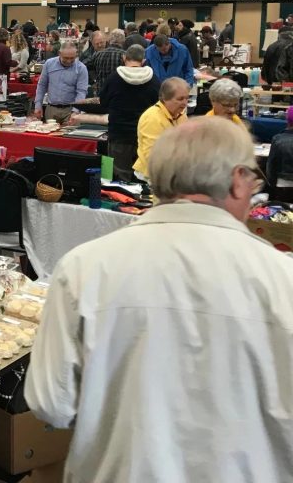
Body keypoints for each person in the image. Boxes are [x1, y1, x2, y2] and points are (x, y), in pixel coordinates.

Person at [26, 118, 293, 483]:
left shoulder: (84, 267)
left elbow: (50, 404)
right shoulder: (283, 279)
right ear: (236, 179)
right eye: (253, 179)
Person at [98, 44, 159, 181]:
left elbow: (103, 103)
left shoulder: (113, 79)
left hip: (119, 135)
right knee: (143, 178)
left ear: (124, 58)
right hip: (144, 137)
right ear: (143, 61)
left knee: (120, 178)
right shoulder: (154, 80)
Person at [132, 76, 190, 180]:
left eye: (187, 98)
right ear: (165, 98)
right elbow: (153, 156)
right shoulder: (152, 118)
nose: (185, 103)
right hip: (151, 177)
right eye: (180, 99)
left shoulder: (181, 115)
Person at [34, 40, 88, 125]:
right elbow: (42, 85)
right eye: (66, 58)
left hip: (70, 110)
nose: (69, 61)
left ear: (76, 54)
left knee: (69, 137)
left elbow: (81, 92)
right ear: (59, 53)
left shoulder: (81, 68)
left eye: (72, 58)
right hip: (51, 109)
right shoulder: (49, 64)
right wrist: (38, 105)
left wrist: (75, 111)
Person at [86, 28, 126, 95]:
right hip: (119, 92)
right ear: (123, 41)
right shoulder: (125, 55)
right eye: (97, 43)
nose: (100, 45)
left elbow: (84, 65)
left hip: (101, 92)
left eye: (101, 42)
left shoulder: (97, 54)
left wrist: (93, 81)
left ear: (109, 40)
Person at [266, 105, 293, 194]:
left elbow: (271, 166)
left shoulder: (277, 139)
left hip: (283, 186)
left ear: (287, 120)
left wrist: (271, 187)